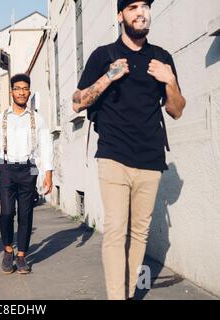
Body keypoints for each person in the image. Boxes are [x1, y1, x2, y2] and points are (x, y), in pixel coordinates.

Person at [72, 0, 186, 300]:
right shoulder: (104, 55)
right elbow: (78, 101)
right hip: (113, 156)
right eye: (133, 7)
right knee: (115, 230)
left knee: (139, 234)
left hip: (150, 159)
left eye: (145, 6)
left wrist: (170, 80)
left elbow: (176, 110)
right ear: (121, 15)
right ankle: (116, 297)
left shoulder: (162, 58)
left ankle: (128, 293)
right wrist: (109, 76)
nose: (141, 12)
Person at [0, 73, 54, 275]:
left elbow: (46, 147)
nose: (21, 92)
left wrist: (48, 174)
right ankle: (8, 250)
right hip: (6, 168)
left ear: (29, 91)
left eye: (25, 88)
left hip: (29, 169)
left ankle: (22, 255)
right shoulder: (0, 119)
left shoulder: (37, 119)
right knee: (6, 213)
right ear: (12, 91)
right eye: (18, 88)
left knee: (26, 214)